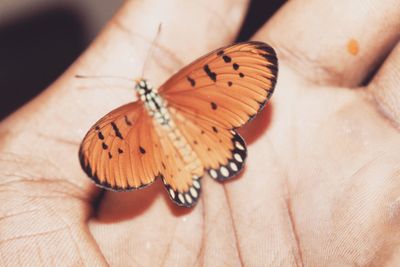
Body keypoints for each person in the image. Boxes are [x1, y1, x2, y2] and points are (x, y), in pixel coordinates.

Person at [0, 0, 399, 265]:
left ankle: (191, 172)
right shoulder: (158, 102)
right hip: (202, 136)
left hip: (181, 166)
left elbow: (251, 68)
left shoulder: (122, 126)